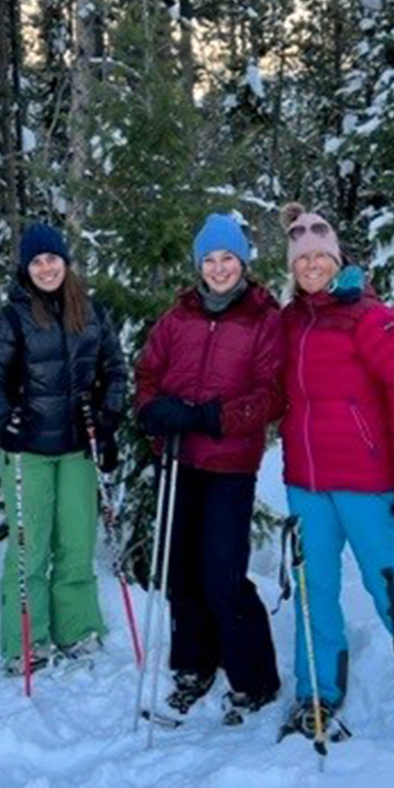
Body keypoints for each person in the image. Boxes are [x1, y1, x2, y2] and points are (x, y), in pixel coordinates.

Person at [277, 202, 394, 739]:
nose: (311, 265)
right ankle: (316, 694)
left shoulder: (370, 315)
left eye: (320, 256)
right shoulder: (290, 320)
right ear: (292, 266)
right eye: (301, 258)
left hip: (366, 481)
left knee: (388, 579)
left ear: (336, 259)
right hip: (307, 484)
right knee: (313, 586)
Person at [134, 212, 283, 725]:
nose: (218, 268)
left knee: (222, 574)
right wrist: (154, 412)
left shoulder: (264, 319)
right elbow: (148, 373)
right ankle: (193, 664)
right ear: (199, 264)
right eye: (210, 259)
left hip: (229, 465)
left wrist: (212, 416)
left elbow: (271, 395)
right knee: (180, 572)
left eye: (228, 258)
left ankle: (254, 675)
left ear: (242, 262)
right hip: (178, 459)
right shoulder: (178, 318)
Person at [0, 222, 127, 674]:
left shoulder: (92, 313)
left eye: (53, 259)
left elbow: (115, 370)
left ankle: (77, 629)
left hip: (78, 445)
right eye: (37, 261)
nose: (46, 268)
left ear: (66, 262)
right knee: (31, 546)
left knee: (76, 542)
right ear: (27, 268)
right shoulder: (11, 319)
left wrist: (108, 419)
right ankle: (26, 639)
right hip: (29, 449)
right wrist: (5, 422)